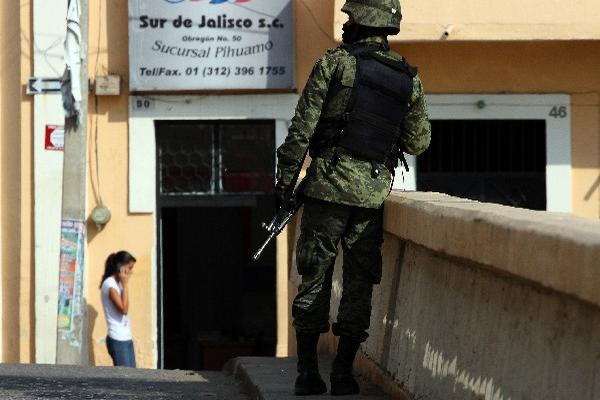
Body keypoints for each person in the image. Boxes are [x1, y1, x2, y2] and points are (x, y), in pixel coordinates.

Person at [275, 0, 431, 395]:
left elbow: (300, 133)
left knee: (315, 277)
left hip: (327, 189)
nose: (344, 25)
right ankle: (343, 374)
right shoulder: (407, 79)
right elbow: (419, 141)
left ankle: (308, 374)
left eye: (349, 18)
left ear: (362, 23)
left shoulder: (335, 64)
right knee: (359, 284)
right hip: (372, 197)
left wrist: (284, 187)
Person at [100, 251, 137, 367]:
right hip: (117, 339)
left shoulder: (117, 283)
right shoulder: (110, 284)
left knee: (134, 378)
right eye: (129, 268)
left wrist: (123, 284)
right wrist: (125, 285)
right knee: (125, 380)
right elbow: (124, 309)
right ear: (121, 267)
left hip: (126, 337)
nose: (131, 272)